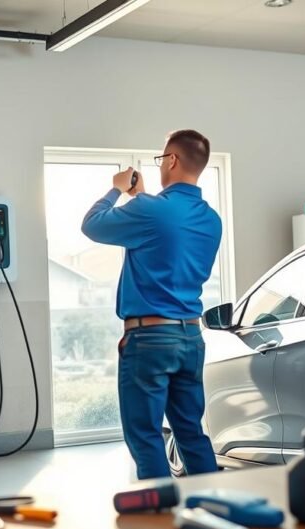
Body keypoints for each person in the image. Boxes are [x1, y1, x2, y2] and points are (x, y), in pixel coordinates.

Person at [81, 130, 221, 480]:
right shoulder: (211, 220)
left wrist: (116, 188)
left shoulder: (149, 211)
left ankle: (159, 521)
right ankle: (216, 508)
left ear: (172, 160)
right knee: (191, 433)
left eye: (162, 158)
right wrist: (140, 196)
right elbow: (165, 237)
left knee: (146, 438)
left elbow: (92, 226)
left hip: (150, 342)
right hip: (190, 338)